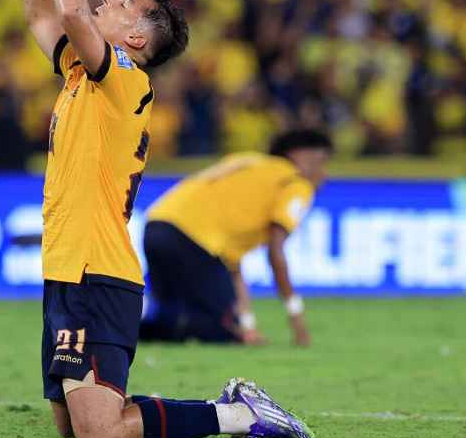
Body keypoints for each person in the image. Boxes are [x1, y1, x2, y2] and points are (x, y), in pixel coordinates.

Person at [24, 0, 312, 438]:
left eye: (126, 4)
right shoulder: (84, 72)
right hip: (66, 267)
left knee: (101, 432)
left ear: (134, 39)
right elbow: (41, 13)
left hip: (97, 271)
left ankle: (236, 414)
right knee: (71, 424)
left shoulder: (125, 79)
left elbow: (72, 9)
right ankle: (213, 411)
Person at [140, 130, 331, 346]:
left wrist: (247, 325)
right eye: (321, 162)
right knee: (222, 329)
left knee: (168, 318)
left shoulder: (245, 160)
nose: (324, 174)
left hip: (156, 226)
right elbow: (276, 253)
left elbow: (231, 265)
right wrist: (296, 316)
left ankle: (118, 329)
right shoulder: (295, 183)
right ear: (300, 155)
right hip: (193, 240)